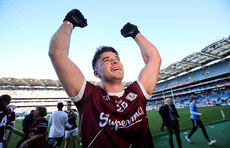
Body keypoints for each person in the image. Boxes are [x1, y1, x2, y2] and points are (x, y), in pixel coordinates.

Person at [49, 9, 161, 148]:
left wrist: (136, 34)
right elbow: (57, 54)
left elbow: (154, 59)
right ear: (97, 73)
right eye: (106, 60)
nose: (114, 61)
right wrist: (69, 23)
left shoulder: (137, 94)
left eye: (117, 59)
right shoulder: (89, 97)